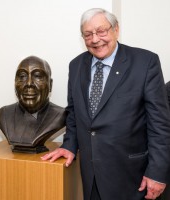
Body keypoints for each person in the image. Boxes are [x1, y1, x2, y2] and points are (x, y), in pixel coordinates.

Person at [41, 8, 170, 200]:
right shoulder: (75, 66)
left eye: (101, 31)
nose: (95, 39)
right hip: (91, 176)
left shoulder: (145, 62)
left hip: (134, 179)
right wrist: (69, 145)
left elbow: (159, 124)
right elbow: (74, 113)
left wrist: (157, 173)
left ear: (116, 29)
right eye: (88, 34)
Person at [0, 55, 66, 153]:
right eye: (22, 76)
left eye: (37, 76)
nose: (29, 83)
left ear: (50, 84)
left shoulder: (61, 115)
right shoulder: (3, 115)